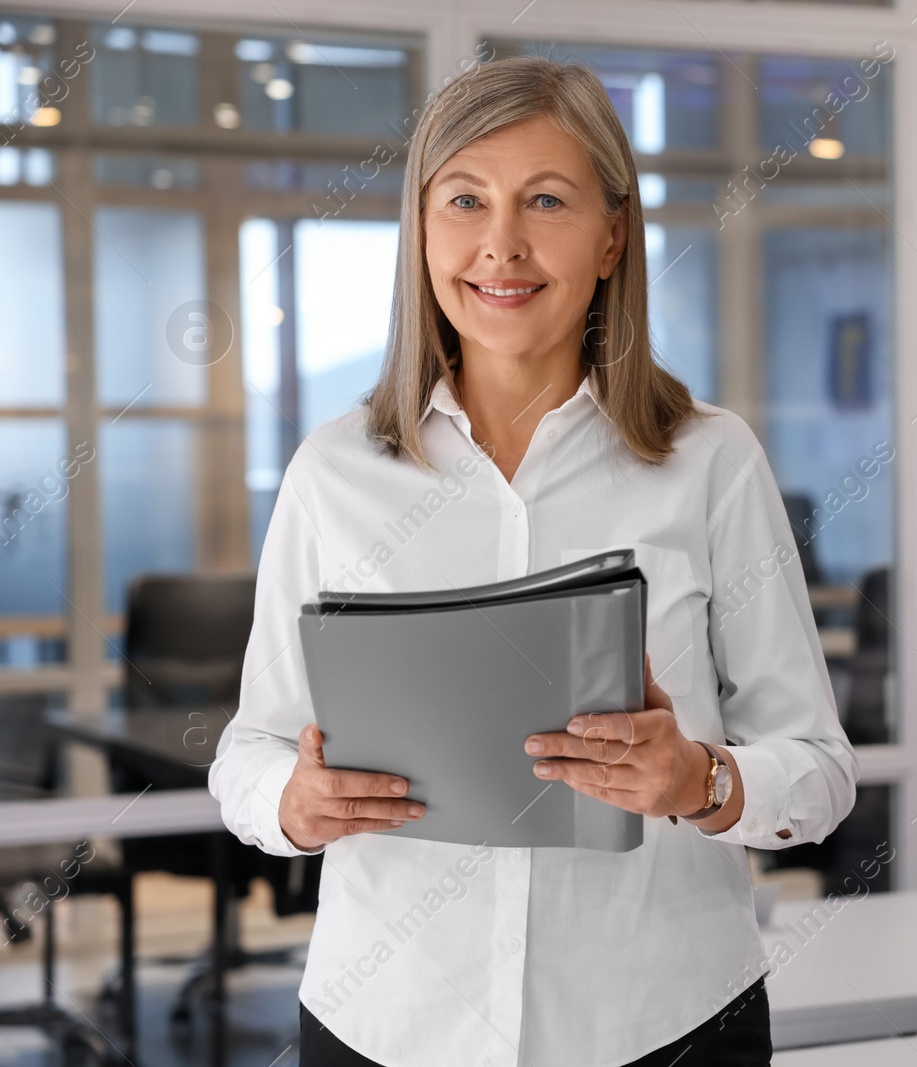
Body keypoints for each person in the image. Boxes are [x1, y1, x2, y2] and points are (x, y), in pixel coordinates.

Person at [208, 55, 857, 1067]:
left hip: (664, 1019)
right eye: (464, 199)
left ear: (610, 235)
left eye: (544, 199)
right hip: (388, 1021)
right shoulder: (332, 471)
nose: (499, 244)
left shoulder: (710, 460)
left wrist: (699, 778)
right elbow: (248, 748)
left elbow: (816, 771)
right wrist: (291, 803)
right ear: (422, 229)